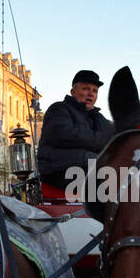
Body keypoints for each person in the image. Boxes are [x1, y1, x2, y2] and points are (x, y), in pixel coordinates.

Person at [37, 69, 114, 197]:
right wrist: (103, 140)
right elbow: (67, 135)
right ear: (73, 92)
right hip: (59, 170)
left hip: (88, 168)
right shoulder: (59, 109)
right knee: (109, 175)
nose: (91, 94)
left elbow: (115, 137)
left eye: (95, 91)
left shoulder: (100, 118)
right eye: (86, 89)